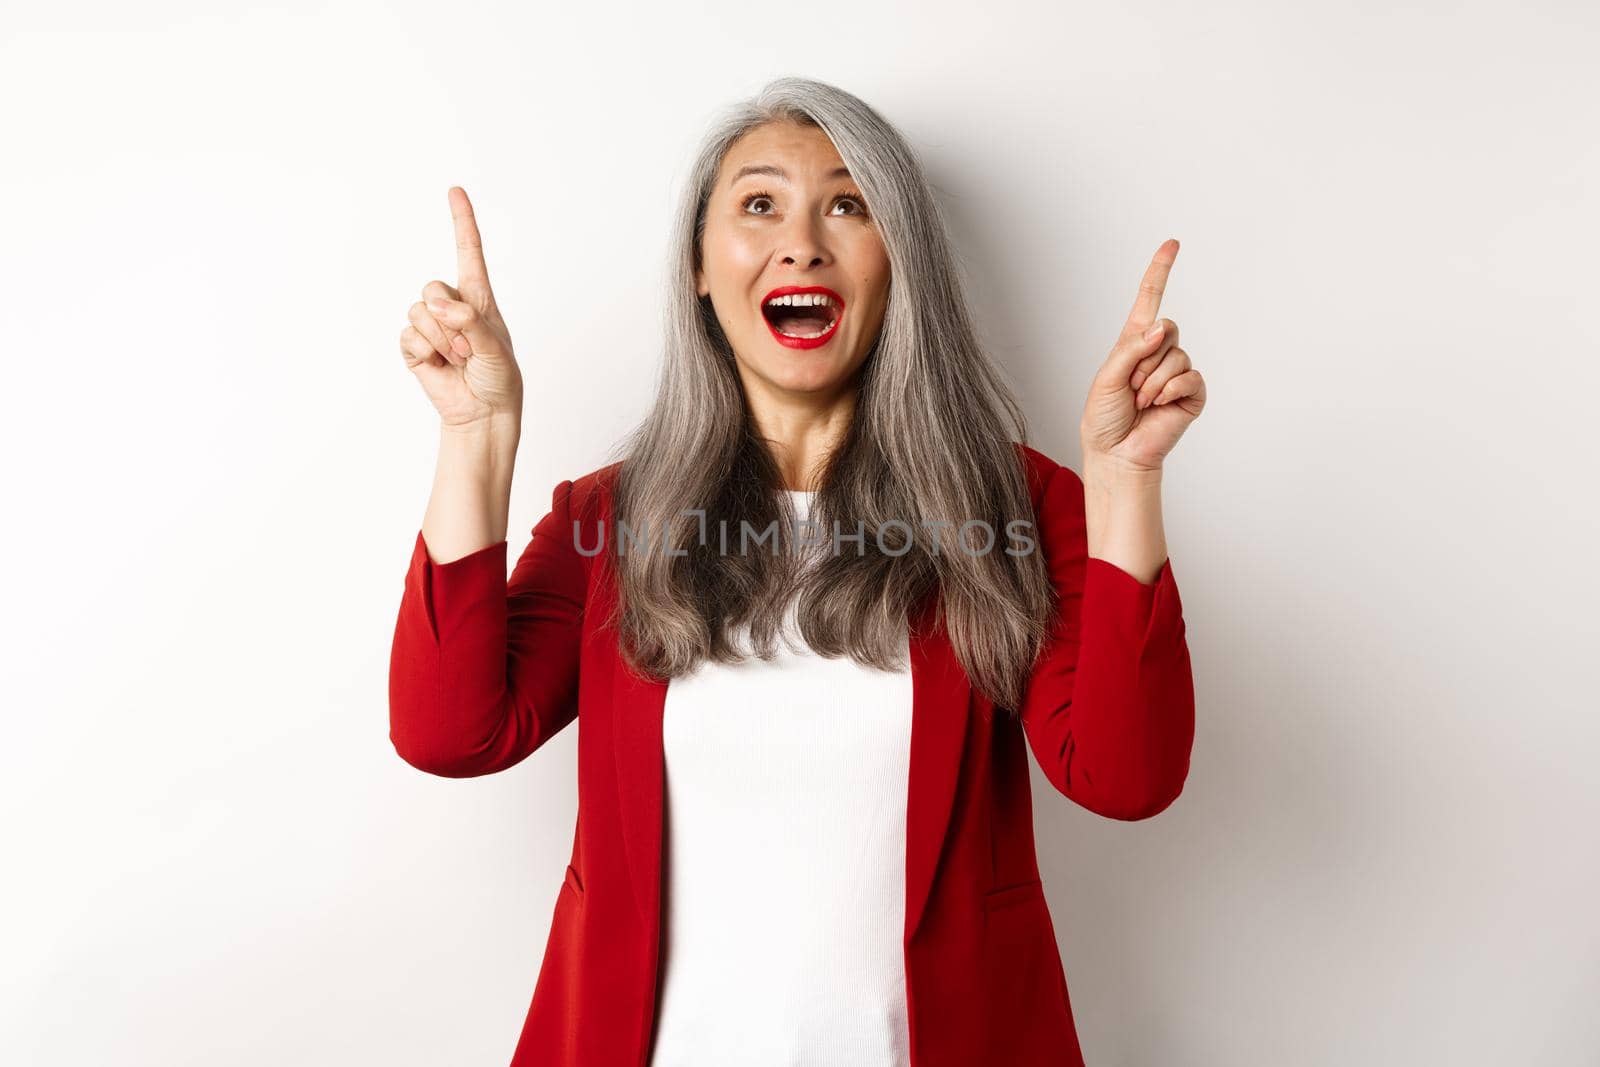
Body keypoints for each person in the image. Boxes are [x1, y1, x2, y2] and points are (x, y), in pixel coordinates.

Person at [389, 76, 1204, 1067]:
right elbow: (451, 732)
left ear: (898, 261)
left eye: (848, 205)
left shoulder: (1015, 510)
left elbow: (1125, 775)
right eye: (759, 203)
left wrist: (1124, 484)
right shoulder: (611, 520)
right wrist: (477, 437)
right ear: (698, 263)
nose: (802, 241)